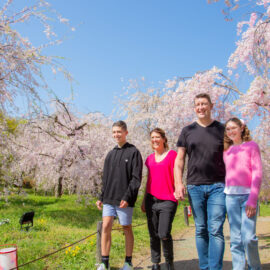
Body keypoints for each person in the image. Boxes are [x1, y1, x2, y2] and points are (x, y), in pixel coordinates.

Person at [174, 93, 226, 270]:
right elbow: (180, 159)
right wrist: (178, 183)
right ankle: (205, 267)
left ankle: (215, 267)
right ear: (194, 108)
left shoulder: (222, 129)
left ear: (212, 106)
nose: (201, 107)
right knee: (201, 229)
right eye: (197, 104)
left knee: (216, 229)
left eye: (204, 104)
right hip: (194, 186)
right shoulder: (187, 131)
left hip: (218, 185)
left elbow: (231, 157)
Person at [96, 120, 143, 270]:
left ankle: (128, 262)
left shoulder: (134, 152)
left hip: (124, 199)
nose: (116, 135)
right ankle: (105, 262)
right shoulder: (110, 154)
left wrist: (128, 197)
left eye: (119, 132)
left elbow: (136, 178)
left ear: (126, 133)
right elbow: (106, 178)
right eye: (114, 132)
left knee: (126, 228)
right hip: (109, 198)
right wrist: (101, 197)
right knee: (106, 227)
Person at [223, 117, 262, 270]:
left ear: (241, 128)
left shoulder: (252, 146)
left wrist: (252, 200)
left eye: (233, 128)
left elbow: (257, 173)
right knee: (235, 239)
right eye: (228, 129)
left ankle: (255, 267)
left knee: (249, 238)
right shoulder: (227, 151)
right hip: (230, 197)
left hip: (247, 197)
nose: (231, 131)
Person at [141, 128, 177, 270]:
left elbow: (177, 173)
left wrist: (179, 187)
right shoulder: (149, 159)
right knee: (153, 233)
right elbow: (148, 180)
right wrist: (144, 200)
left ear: (163, 139)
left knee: (163, 233)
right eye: (152, 137)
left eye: (157, 137)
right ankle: (156, 263)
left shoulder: (172, 155)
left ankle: (169, 262)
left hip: (168, 200)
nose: (154, 140)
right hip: (151, 200)